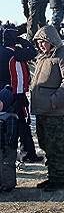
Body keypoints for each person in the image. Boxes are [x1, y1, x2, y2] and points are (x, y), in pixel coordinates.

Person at [31, 25, 64, 192]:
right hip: (42, 110)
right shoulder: (42, 57)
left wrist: (55, 101)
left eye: (45, 42)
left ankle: (58, 179)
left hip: (56, 112)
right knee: (46, 145)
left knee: (55, 147)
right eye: (39, 42)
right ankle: (52, 176)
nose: (42, 45)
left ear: (53, 41)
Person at [0, 23, 43, 163]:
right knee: (23, 124)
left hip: (3, 95)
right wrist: (20, 40)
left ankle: (6, 153)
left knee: (5, 125)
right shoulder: (16, 52)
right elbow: (33, 50)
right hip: (17, 94)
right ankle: (28, 153)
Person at [0, 86, 18, 192]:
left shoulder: (10, 117)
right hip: (0, 147)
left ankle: (8, 184)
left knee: (7, 166)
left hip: (7, 147)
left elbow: (11, 133)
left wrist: (9, 145)